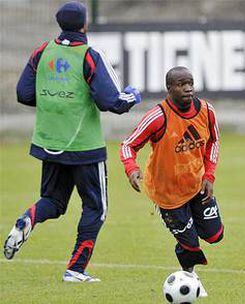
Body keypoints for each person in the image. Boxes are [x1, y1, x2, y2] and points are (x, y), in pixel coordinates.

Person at [3, 1, 142, 282]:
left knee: (53, 201)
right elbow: (111, 102)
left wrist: (56, 101)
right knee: (96, 208)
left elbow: (24, 93)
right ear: (84, 24)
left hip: (49, 141)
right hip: (84, 147)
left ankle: (27, 218)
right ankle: (75, 270)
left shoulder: (43, 51)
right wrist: (132, 96)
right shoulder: (90, 55)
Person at [120, 66, 224, 297]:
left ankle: (185, 233)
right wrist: (132, 170)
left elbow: (214, 141)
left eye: (190, 82)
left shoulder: (207, 111)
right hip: (167, 193)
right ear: (169, 89)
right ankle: (190, 275)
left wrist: (209, 175)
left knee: (215, 235)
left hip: (197, 185)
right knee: (190, 244)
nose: (188, 88)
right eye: (181, 84)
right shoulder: (158, 117)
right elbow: (128, 145)